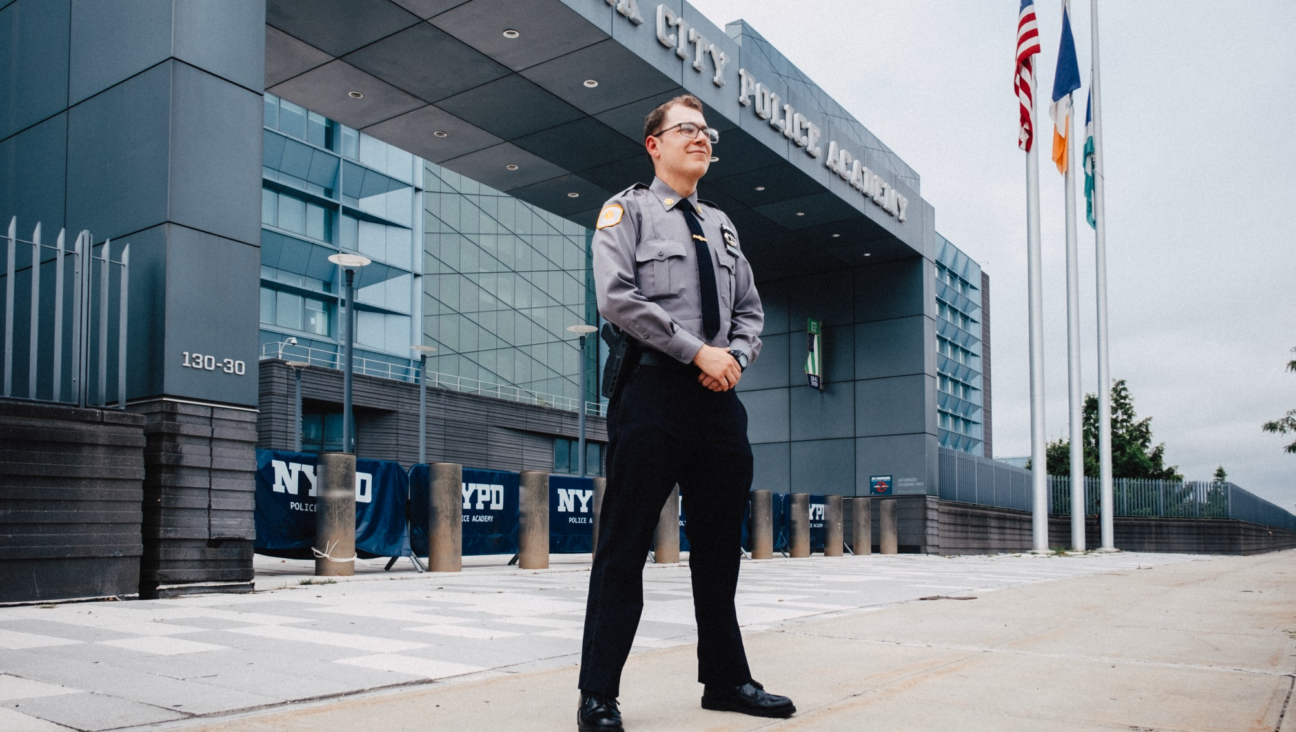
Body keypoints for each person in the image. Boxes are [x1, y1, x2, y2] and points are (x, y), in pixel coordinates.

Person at [577, 94, 796, 731]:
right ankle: (598, 695)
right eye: (687, 130)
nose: (701, 139)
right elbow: (615, 297)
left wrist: (735, 356)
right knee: (624, 546)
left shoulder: (724, 225)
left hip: (718, 403)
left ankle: (725, 680)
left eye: (707, 132)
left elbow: (752, 307)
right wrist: (698, 349)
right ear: (655, 144)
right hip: (653, 394)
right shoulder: (628, 212)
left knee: (721, 549)